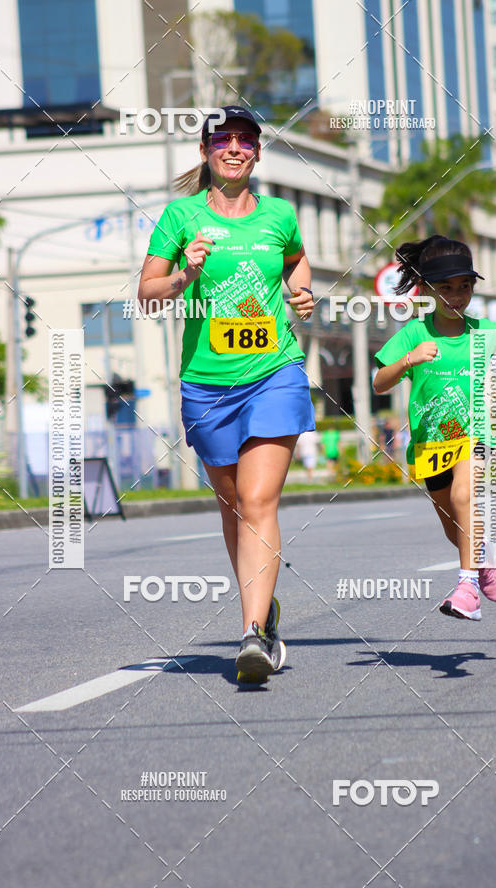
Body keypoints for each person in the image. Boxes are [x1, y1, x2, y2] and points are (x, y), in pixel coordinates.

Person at [138, 105, 315, 679]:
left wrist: (301, 293)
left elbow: (296, 261)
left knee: (259, 501)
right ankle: (264, 606)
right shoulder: (180, 216)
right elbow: (147, 293)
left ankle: (252, 634)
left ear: (257, 153)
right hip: (208, 383)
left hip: (275, 371)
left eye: (245, 140)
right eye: (222, 140)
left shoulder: (280, 214)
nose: (234, 148)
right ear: (206, 151)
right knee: (234, 504)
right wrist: (183, 274)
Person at [373, 235, 496, 621]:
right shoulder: (414, 334)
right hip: (431, 443)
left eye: (465, 286)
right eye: (446, 288)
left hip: (477, 434)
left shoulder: (484, 330)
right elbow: (379, 383)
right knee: (452, 525)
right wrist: (408, 360)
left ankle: (466, 588)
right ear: (426, 290)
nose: (456, 296)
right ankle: (482, 561)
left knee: (464, 495)